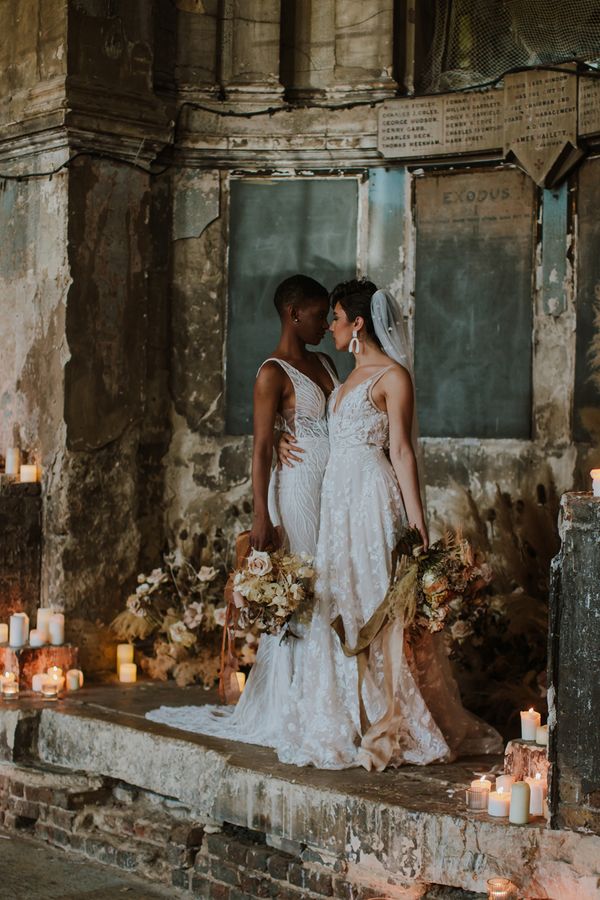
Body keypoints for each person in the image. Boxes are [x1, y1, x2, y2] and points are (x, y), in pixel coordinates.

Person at [146, 273, 339, 747]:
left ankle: (329, 699)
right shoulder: (272, 372)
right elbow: (260, 449)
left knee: (333, 582)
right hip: (294, 491)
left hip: (334, 487)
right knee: (303, 586)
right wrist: (260, 516)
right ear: (294, 313)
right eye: (318, 315)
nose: (324, 323)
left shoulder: (326, 361)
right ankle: (291, 705)